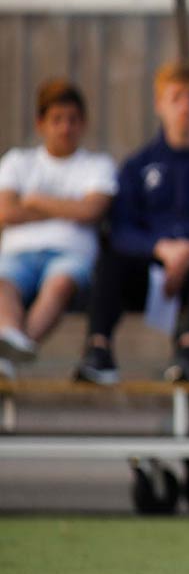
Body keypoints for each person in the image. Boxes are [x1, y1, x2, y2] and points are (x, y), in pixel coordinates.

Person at [74, 61, 189, 386]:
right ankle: (98, 350)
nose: (185, 107)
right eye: (176, 98)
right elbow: (122, 227)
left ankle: (188, 352)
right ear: (160, 104)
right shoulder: (140, 164)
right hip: (153, 272)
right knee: (110, 257)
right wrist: (161, 249)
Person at [0, 81, 117, 378]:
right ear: (41, 123)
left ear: (84, 123)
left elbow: (92, 210)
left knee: (60, 283)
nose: (66, 128)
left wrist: (37, 201)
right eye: (57, 120)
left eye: (73, 120)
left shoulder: (97, 165)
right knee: (3, 283)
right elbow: (6, 211)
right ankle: (11, 341)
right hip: (18, 255)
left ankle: (13, 352)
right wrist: (68, 208)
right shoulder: (18, 161)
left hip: (70, 258)